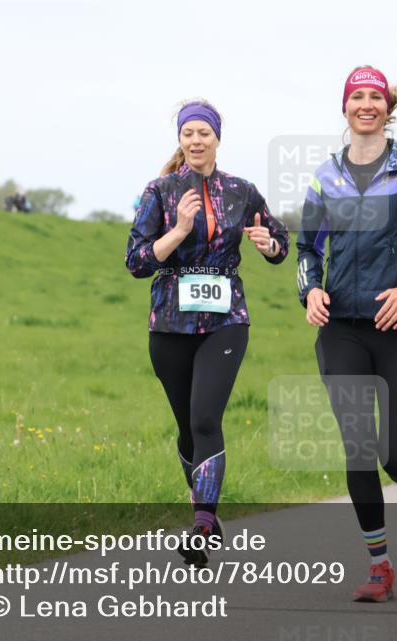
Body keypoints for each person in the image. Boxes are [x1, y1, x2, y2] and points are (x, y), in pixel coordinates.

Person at [297, 66, 397, 602]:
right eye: (356, 97)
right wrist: (310, 292)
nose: (366, 105)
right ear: (345, 108)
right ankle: (380, 567)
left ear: (388, 108)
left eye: (374, 97)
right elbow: (307, 250)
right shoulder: (324, 177)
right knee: (359, 449)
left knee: (395, 452)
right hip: (342, 330)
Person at [125, 100, 289, 566]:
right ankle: (205, 514)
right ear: (179, 139)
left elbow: (279, 246)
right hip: (171, 323)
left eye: (204, 133)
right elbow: (136, 262)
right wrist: (177, 230)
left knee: (204, 419)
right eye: (188, 133)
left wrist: (269, 245)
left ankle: (201, 525)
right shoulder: (160, 190)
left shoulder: (241, 191)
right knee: (185, 428)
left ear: (218, 137)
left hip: (225, 323)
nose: (196, 141)